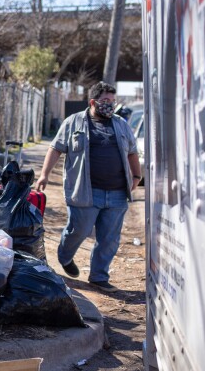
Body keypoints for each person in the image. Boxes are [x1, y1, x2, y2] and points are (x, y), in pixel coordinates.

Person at [35, 81, 141, 291]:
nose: (110, 105)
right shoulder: (73, 122)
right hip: (84, 192)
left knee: (109, 239)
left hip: (117, 193)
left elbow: (132, 152)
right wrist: (44, 175)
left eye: (112, 100)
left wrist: (136, 175)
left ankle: (99, 276)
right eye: (105, 101)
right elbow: (55, 148)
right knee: (78, 231)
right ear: (93, 102)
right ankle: (65, 255)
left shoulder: (121, 124)